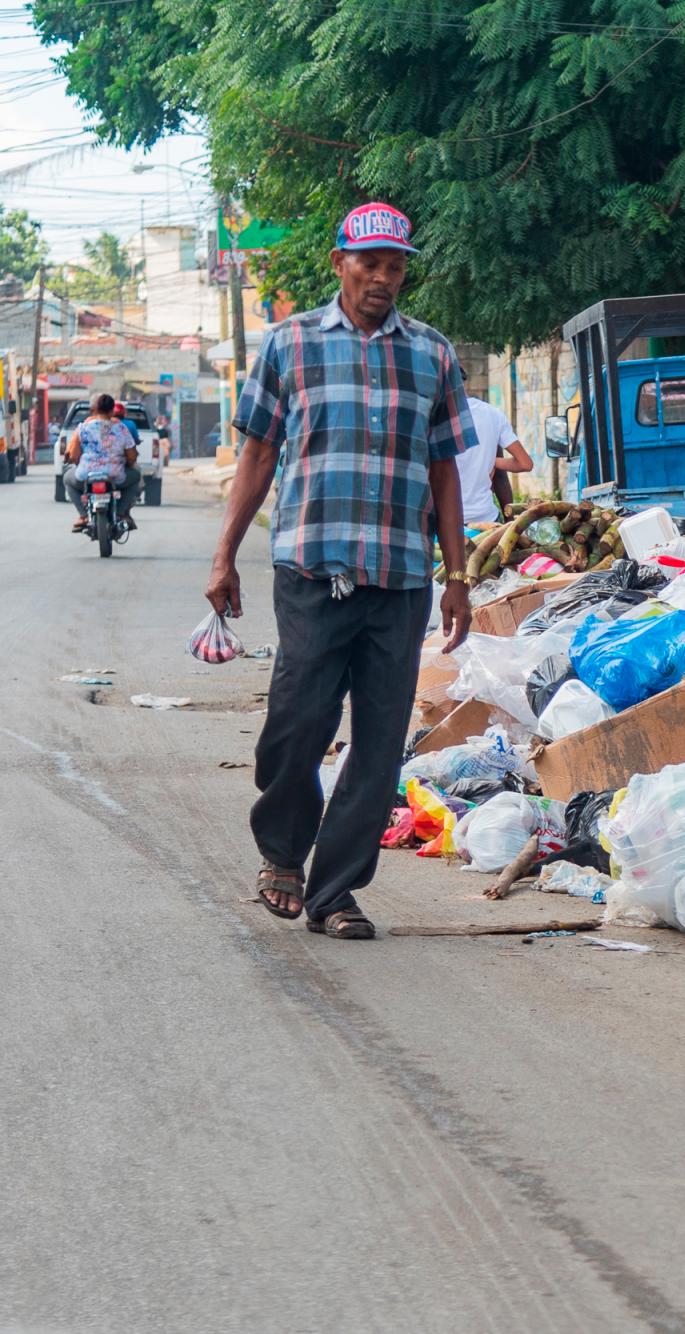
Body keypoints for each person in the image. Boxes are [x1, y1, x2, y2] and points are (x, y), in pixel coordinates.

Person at [206, 200, 474, 941]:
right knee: (299, 720)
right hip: (311, 567)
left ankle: (335, 892)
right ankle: (283, 854)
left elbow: (446, 470)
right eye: (370, 264)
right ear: (340, 265)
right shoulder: (289, 344)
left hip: (401, 575)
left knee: (381, 740)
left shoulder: (432, 353)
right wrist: (224, 554)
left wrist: (458, 575)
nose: (383, 278)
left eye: (395, 267)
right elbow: (257, 453)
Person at [62, 393, 139, 532]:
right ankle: (121, 513)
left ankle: (83, 516)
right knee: (136, 476)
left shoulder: (83, 428)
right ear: (112, 411)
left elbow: (73, 455)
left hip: (86, 475)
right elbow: (132, 456)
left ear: (95, 409)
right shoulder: (121, 428)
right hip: (115, 476)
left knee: (67, 478)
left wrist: (79, 460)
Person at [456, 396, 534, 525]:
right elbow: (524, 464)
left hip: (442, 525)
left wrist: (491, 461)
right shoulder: (491, 414)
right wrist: (509, 522)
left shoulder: (430, 414)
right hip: (487, 520)